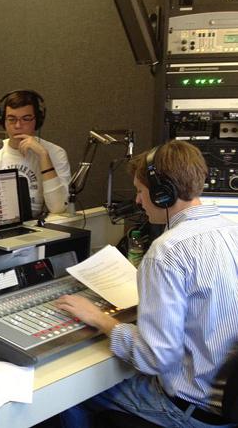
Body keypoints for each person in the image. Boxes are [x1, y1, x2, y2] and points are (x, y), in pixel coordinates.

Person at [56, 140, 238, 427]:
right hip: (225, 408)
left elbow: (156, 358)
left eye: (141, 191)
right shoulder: (232, 231)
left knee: (66, 394)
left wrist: (102, 320)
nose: (139, 200)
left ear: (163, 194)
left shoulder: (167, 252)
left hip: (186, 411)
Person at [0, 89, 71, 218]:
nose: (18, 125)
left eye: (26, 119)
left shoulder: (55, 153)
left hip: (37, 229)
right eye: (11, 119)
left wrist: (43, 156)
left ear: (37, 120)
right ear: (3, 121)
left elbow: (58, 207)